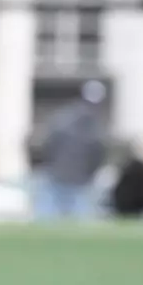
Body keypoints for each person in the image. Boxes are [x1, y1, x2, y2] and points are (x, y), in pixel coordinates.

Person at [34, 80, 108, 220]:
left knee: (47, 224)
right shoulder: (94, 126)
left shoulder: (62, 118)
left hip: (60, 176)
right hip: (71, 180)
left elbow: (47, 145)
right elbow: (98, 154)